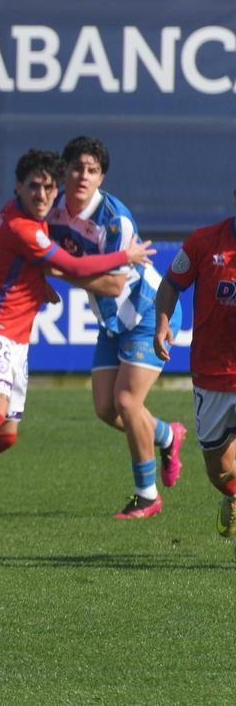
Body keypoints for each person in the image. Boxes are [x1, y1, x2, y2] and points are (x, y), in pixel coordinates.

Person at [0, 149, 154, 523]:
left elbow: (34, 265)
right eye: (34, 187)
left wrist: (37, 282)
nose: (42, 195)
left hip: (17, 337)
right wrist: (125, 256)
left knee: (6, 436)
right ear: (17, 187)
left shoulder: (29, 217)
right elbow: (72, 264)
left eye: (48, 188)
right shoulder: (20, 226)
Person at [46, 136, 186, 519]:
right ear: (65, 171)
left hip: (146, 313)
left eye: (92, 170)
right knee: (106, 409)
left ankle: (147, 495)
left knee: (127, 401)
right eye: (76, 167)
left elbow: (113, 283)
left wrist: (59, 272)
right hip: (112, 320)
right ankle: (167, 435)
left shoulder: (115, 220)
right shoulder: (53, 209)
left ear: (101, 176)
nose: (83, 176)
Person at [154, 188, 236, 547]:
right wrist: (162, 323)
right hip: (212, 373)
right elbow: (171, 285)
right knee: (219, 470)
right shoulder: (204, 241)